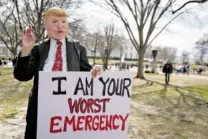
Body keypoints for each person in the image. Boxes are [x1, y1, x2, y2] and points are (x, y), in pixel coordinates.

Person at [13, 7, 102, 139]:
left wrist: (95, 71)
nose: (60, 25)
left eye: (64, 21)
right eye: (54, 21)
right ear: (46, 25)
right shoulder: (38, 49)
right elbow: (22, 75)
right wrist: (26, 50)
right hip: (40, 111)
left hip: (69, 111)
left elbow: (87, 73)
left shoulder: (78, 49)